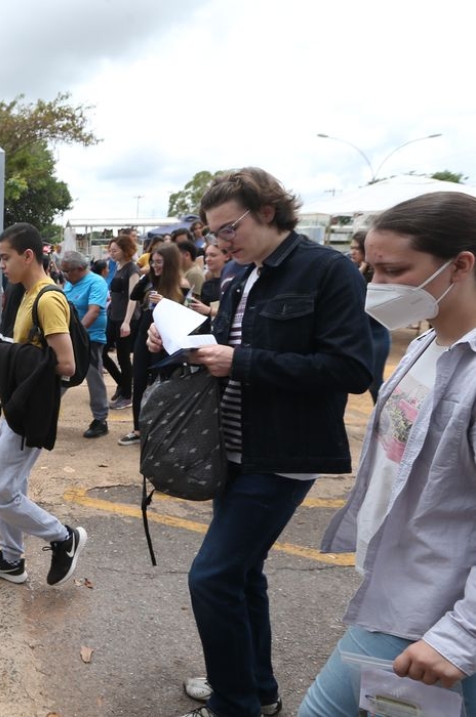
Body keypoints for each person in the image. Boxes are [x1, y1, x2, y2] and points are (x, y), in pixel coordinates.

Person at [147, 168, 372, 717]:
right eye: (214, 234)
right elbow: (229, 343)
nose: (220, 243)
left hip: (283, 453)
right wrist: (182, 340)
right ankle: (256, 688)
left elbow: (351, 367)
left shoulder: (329, 271)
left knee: (213, 576)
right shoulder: (241, 276)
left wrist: (239, 361)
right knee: (243, 574)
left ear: (267, 212)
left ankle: (235, 702)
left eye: (229, 229)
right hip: (234, 447)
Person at [299, 191, 476, 716]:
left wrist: (461, 636)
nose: (376, 287)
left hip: (433, 610)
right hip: (400, 587)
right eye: (370, 269)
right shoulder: (428, 344)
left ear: (461, 265)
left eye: (394, 270)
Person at [0, 222, 88, 586]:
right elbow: (29, 349)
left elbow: (65, 364)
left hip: (31, 409)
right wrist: (1, 351)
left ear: (28, 255)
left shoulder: (47, 298)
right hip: (17, 403)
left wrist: (4, 353)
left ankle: (63, 537)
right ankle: (10, 560)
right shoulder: (27, 294)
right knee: (10, 488)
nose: (1, 265)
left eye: (6, 258)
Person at [117, 243, 188, 446]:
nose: (155, 266)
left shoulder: (181, 285)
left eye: (159, 263)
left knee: (160, 382)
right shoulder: (150, 280)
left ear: (171, 264)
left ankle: (159, 427)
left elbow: (185, 315)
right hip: (144, 334)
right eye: (153, 262)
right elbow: (134, 295)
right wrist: (146, 277)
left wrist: (165, 301)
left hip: (166, 339)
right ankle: (138, 429)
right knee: (139, 379)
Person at [59, 250, 110, 439]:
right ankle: (45, 411)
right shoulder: (70, 283)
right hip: (69, 338)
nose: (64, 275)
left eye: (67, 272)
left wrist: (77, 335)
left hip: (90, 339)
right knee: (62, 374)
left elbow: (94, 311)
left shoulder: (96, 282)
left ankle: (100, 419)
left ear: (79, 269)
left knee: (93, 377)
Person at [348, 230, 392, 402]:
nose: (352, 252)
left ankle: (380, 415)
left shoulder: (377, 275)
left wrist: (364, 268)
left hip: (375, 333)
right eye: (351, 248)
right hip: (354, 335)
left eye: (357, 249)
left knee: (374, 382)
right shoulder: (347, 268)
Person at [107, 234, 141, 411]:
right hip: (114, 316)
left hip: (126, 319)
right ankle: (123, 383)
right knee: (103, 353)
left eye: (115, 250)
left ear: (125, 250)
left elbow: (133, 298)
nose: (111, 253)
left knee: (123, 357)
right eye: (110, 250)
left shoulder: (132, 269)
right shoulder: (118, 267)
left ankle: (127, 395)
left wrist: (126, 322)